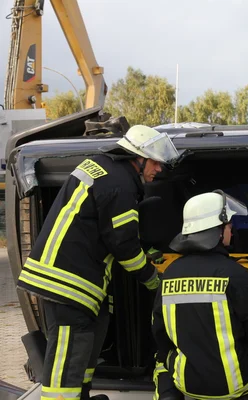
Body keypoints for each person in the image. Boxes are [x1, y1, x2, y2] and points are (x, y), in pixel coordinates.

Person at [16, 125, 181, 400]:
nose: (159, 170)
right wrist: (154, 280)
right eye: (155, 162)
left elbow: (106, 231)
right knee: (69, 358)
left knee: (87, 343)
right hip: (67, 284)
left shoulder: (101, 166)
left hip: (67, 277)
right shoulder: (121, 186)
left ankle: (80, 394)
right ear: (137, 158)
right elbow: (125, 248)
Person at [152, 190, 248, 400]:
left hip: (187, 384)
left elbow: (160, 333)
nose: (231, 231)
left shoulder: (169, 274)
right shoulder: (235, 274)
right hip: (236, 384)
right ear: (216, 230)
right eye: (228, 226)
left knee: (161, 362)